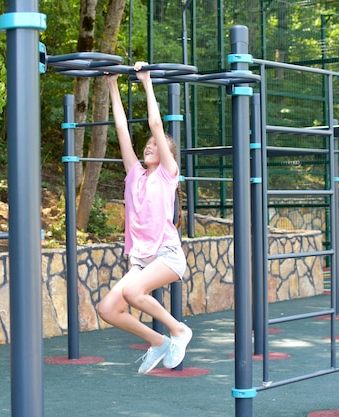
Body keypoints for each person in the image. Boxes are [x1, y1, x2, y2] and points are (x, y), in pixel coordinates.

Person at [97, 62, 192, 375]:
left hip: (166, 254)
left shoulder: (167, 174)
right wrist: (112, 84)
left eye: (157, 146)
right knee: (108, 309)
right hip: (140, 261)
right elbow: (122, 128)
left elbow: (154, 124)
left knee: (132, 293)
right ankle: (158, 341)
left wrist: (146, 81)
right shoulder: (134, 175)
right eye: (148, 146)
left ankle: (178, 330)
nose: (151, 146)